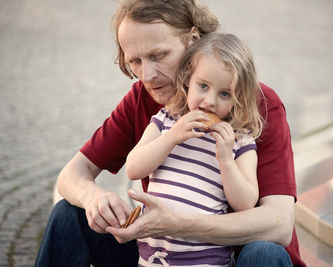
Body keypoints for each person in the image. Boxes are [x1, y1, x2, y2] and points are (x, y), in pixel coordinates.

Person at [35, 0, 306, 266]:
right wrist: (94, 197)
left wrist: (181, 225)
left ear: (192, 40)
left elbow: (279, 225)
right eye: (135, 61)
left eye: (158, 55)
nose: (148, 75)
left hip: (232, 259)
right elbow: (72, 174)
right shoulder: (145, 99)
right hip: (158, 254)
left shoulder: (258, 105)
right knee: (68, 215)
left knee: (263, 253)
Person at [125, 32, 262, 266]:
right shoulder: (166, 121)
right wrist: (171, 138)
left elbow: (246, 203)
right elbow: (133, 168)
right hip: (154, 258)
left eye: (224, 93)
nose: (209, 101)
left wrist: (226, 159)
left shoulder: (240, 141)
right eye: (203, 86)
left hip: (207, 260)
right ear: (188, 79)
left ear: (239, 97)